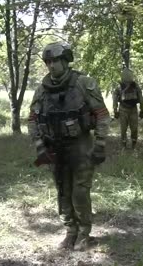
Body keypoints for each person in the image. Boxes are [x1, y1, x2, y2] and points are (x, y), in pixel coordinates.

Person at [27, 41, 110, 251]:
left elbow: (101, 114)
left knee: (80, 192)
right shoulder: (42, 90)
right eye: (48, 62)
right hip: (55, 148)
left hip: (80, 146)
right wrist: (39, 145)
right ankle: (70, 231)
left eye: (55, 61)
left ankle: (84, 234)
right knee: (63, 191)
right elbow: (32, 119)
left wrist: (100, 144)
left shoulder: (83, 83)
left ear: (65, 61)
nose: (51, 65)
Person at [112, 68, 143, 149]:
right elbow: (115, 99)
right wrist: (115, 110)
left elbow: (141, 98)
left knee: (134, 128)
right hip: (123, 109)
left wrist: (142, 110)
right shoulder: (119, 87)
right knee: (124, 129)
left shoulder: (135, 86)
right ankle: (124, 145)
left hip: (133, 109)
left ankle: (133, 144)